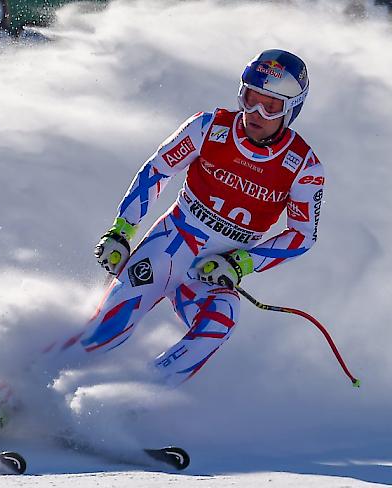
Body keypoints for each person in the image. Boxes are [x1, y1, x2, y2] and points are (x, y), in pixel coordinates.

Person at [44, 49, 324, 388]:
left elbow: (301, 234)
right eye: (250, 98)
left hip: (210, 272)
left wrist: (242, 264)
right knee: (107, 328)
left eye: (271, 105)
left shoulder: (303, 167)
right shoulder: (209, 127)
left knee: (222, 319)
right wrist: (121, 231)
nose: (256, 113)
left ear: (291, 110)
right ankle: (18, 394)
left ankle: (124, 405)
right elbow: (157, 170)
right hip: (168, 248)